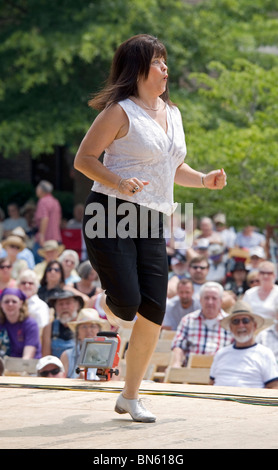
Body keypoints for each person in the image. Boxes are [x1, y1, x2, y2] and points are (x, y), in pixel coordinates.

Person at [74, 34, 226, 422]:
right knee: (126, 305)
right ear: (139, 68)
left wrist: (204, 179)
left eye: (165, 62)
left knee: (153, 312)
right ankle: (107, 304)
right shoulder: (119, 111)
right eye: (159, 63)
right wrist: (117, 181)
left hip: (152, 218)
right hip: (111, 213)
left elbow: (172, 168)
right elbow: (84, 159)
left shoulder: (173, 113)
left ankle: (130, 396)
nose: (166, 70)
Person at [209, 300, 278, 389]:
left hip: (248, 402)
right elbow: (211, 384)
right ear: (230, 327)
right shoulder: (221, 353)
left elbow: (274, 387)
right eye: (236, 321)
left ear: (254, 325)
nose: (241, 325)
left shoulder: (265, 354)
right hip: (218, 400)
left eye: (245, 321)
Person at [171, 282, 233, 367]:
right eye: (206, 298)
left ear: (221, 301)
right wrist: (177, 363)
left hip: (220, 372)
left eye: (214, 298)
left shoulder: (231, 322)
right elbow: (178, 346)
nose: (210, 302)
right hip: (191, 371)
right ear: (200, 300)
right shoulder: (188, 320)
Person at [61, 308, 108, 379]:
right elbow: (61, 382)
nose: (88, 330)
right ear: (77, 333)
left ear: (99, 331)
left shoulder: (109, 355)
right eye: (84, 327)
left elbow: (115, 383)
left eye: (93, 326)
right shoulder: (67, 355)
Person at [41, 289, 84, 358]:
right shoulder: (49, 328)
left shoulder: (84, 326)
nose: (64, 307)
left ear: (77, 305)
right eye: (60, 304)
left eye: (68, 303)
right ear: (55, 307)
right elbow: (46, 357)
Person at [0, 287, 41, 359]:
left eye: (14, 301)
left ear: (21, 303)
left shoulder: (30, 324)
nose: (10, 304)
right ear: (1, 304)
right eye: (6, 301)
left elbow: (27, 357)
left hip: (25, 367)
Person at [33, 180, 62, 262]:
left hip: (45, 239)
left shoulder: (42, 201)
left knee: (39, 262)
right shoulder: (55, 201)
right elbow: (58, 220)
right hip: (56, 238)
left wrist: (41, 236)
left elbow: (44, 218)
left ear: (41, 190)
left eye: (38, 187)